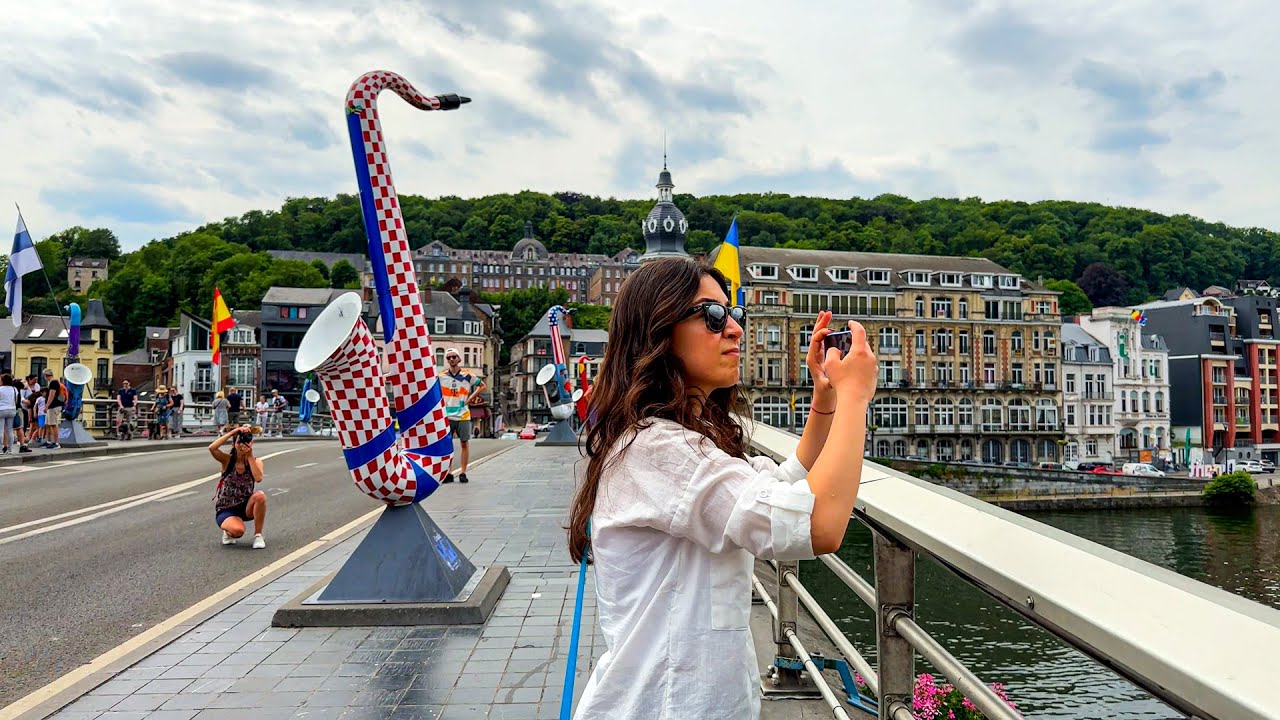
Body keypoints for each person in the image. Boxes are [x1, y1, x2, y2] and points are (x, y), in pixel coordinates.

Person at [566, 258, 878, 720]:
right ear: (658, 331)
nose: (733, 328)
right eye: (712, 316)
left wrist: (827, 400)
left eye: (735, 315)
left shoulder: (670, 439)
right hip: (666, 705)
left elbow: (776, 485)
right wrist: (857, 398)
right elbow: (817, 527)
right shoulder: (660, 450)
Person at [208, 425, 267, 549]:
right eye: (239, 442)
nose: (242, 446)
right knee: (238, 531)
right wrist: (234, 432)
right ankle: (228, 530)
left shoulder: (256, 461)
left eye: (246, 442)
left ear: (252, 444)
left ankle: (258, 535)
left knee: (260, 496)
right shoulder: (227, 460)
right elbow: (212, 448)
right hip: (226, 508)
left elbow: (258, 478)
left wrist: (250, 456)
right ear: (234, 444)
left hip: (246, 507)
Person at [439, 348, 485, 484]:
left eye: (454, 357)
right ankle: (448, 472)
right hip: (447, 414)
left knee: (464, 443)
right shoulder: (441, 376)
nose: (451, 359)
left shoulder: (467, 375)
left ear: (459, 359)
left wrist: (470, 398)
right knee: (447, 445)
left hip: (463, 414)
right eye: (449, 358)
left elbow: (482, 386)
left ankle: (463, 472)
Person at [42, 369, 63, 449]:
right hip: (52, 406)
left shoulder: (53, 383)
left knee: (53, 424)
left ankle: (56, 443)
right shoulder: (53, 382)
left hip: (53, 406)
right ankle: (49, 441)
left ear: (46, 376)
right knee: (48, 424)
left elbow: (51, 395)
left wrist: (47, 405)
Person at [0, 373, 19, 454]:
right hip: (12, 410)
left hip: (1, 409)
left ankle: (0, 449)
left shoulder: (0, 389)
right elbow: (16, 400)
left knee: (0, 430)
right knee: (10, 430)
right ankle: (10, 449)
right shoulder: (14, 389)